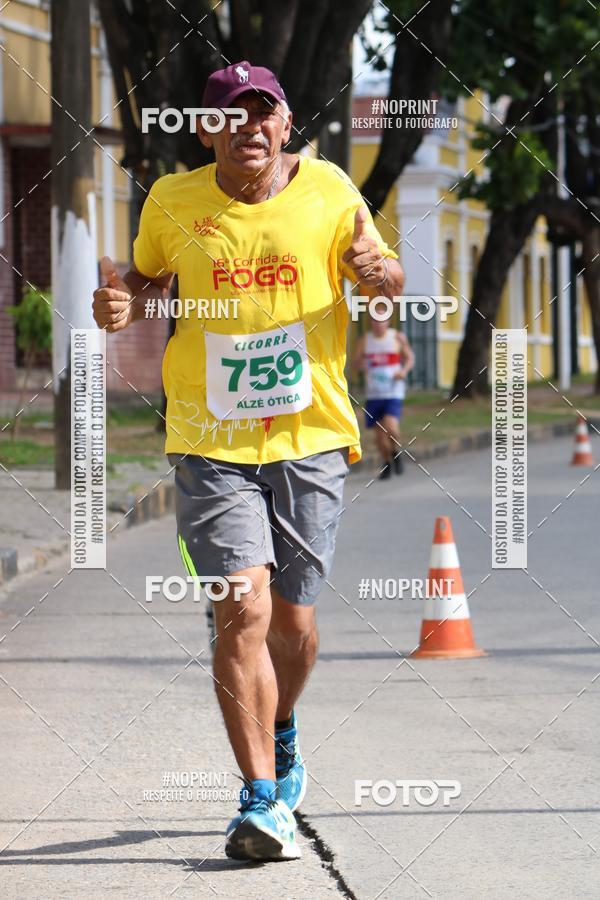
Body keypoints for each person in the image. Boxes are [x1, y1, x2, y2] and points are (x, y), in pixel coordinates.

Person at [92, 60, 404, 862]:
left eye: (262, 114)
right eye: (230, 116)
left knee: (293, 626)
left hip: (309, 436)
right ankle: (261, 801)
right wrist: (120, 296)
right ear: (207, 130)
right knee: (244, 611)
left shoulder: (332, 191)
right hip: (207, 437)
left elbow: (386, 280)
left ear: (286, 124)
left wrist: (381, 276)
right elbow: (147, 274)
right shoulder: (174, 200)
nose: (248, 128)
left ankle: (285, 728)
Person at [353, 300, 414, 479]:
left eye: (382, 320)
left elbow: (410, 358)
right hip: (374, 393)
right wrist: (361, 364)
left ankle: (395, 451)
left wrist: (403, 371)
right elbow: (355, 364)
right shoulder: (364, 340)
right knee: (380, 437)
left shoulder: (397, 337)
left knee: (391, 427)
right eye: (375, 320)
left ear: (388, 321)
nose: (378, 324)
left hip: (393, 391)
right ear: (371, 322)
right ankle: (388, 461)